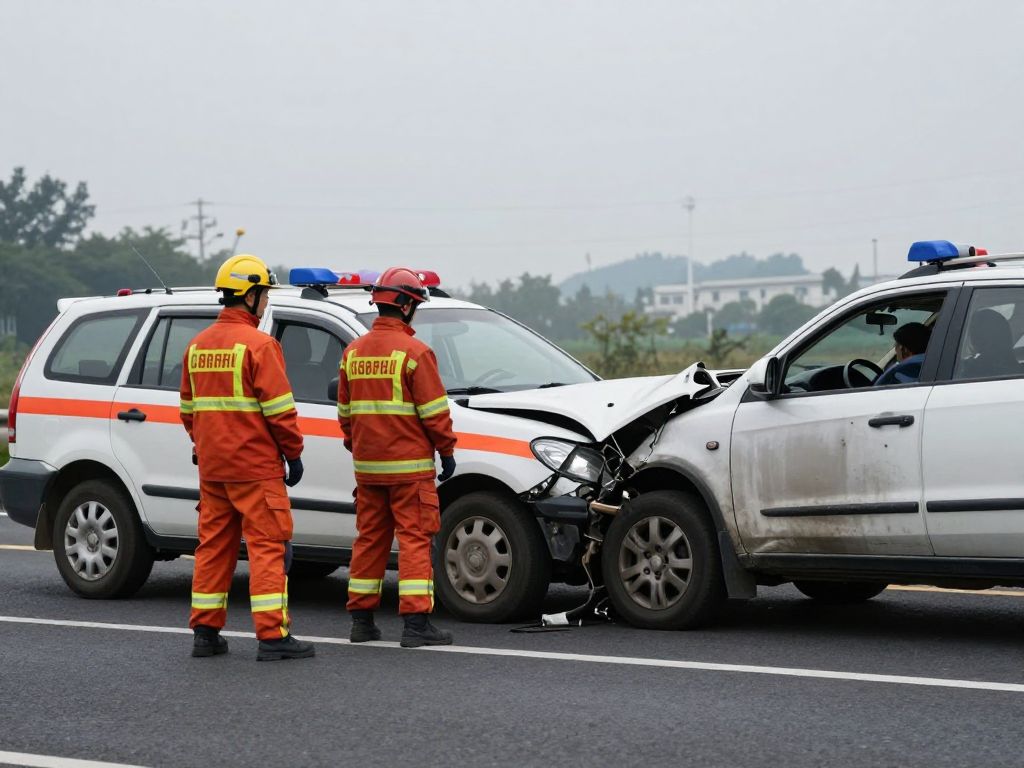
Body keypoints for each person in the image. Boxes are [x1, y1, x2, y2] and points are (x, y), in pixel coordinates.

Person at [180, 254, 314, 662]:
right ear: (250, 294)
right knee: (268, 546)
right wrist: (294, 453)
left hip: (213, 467)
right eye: (264, 294)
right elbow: (279, 412)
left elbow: (188, 412)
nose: (266, 302)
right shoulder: (260, 345)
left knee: (214, 547)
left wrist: (208, 444)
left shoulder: (197, 346)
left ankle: (205, 633)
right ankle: (272, 637)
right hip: (255, 469)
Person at [337, 266, 458, 648]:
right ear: (405, 305)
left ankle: (361, 620)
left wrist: (359, 446)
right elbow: (434, 412)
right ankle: (416, 624)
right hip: (410, 471)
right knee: (414, 540)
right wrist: (447, 450)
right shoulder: (415, 352)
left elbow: (345, 415)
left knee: (369, 540)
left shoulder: (353, 353)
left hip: (368, 470)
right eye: (416, 304)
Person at [874, 321, 931, 386]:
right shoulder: (932, 365)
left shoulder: (900, 373)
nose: (895, 350)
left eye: (896, 345)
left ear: (904, 349)